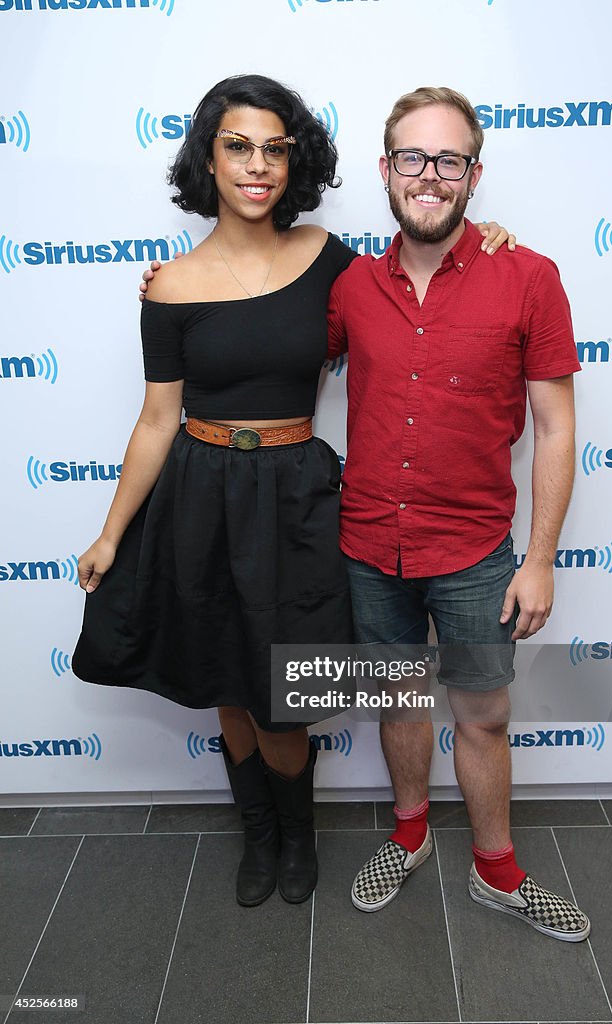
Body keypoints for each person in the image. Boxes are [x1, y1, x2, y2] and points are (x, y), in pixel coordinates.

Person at [75, 74, 512, 911]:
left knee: (287, 690)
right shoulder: (168, 287)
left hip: (296, 497)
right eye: (237, 145)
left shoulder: (328, 260)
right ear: (208, 157)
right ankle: (260, 835)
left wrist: (482, 237)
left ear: (295, 161)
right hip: (200, 493)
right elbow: (156, 420)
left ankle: (298, 831)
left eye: (275, 148)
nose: (257, 165)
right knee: (227, 680)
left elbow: (413, 269)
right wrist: (107, 534)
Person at [326, 86, 590, 941]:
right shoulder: (349, 287)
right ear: (385, 169)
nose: (428, 176)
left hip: (477, 553)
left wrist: (539, 558)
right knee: (397, 701)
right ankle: (406, 836)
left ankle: (494, 870)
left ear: (473, 174)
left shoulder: (530, 277)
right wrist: (174, 286)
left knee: (482, 715)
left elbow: (554, 426)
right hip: (368, 545)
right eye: (412, 157)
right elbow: (256, 325)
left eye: (448, 160)